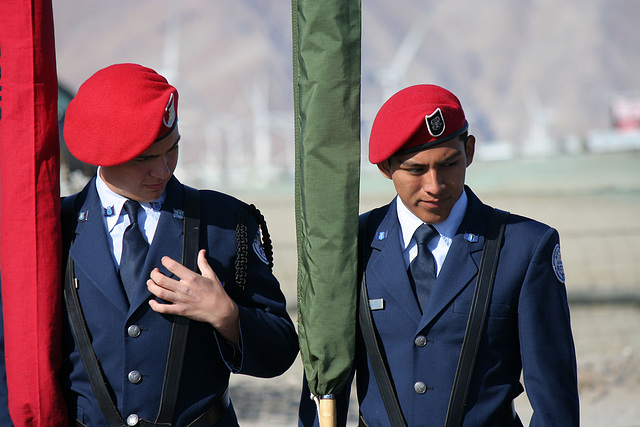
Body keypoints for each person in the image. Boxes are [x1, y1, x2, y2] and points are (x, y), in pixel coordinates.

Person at [299, 84, 579, 426]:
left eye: (449, 164)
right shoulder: (349, 247)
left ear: (470, 150)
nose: (435, 185)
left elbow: (555, 402)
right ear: (386, 168)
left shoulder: (523, 247)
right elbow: (325, 382)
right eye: (416, 170)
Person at [60, 63, 298, 427]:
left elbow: (280, 350)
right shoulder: (55, 227)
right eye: (145, 159)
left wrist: (226, 315)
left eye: (172, 149)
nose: (163, 170)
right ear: (100, 153)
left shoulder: (224, 221)